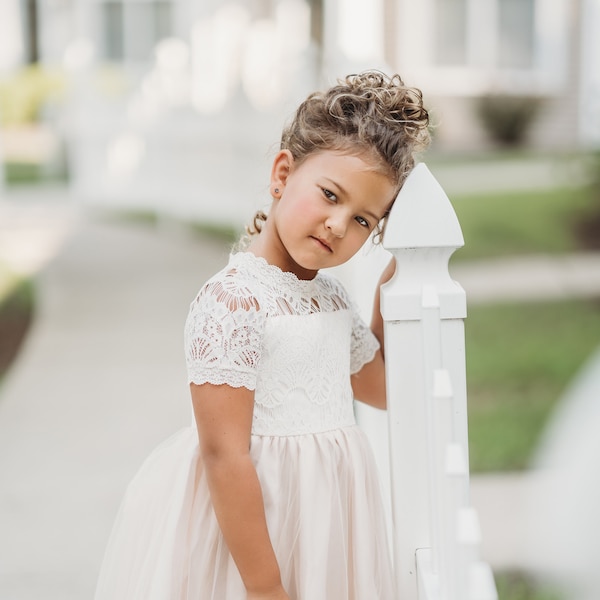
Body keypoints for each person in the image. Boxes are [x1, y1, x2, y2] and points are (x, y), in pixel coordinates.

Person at [94, 70, 430, 600]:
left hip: (326, 524)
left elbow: (382, 390)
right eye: (329, 194)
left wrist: (394, 291)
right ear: (281, 174)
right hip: (255, 539)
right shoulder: (233, 300)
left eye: (364, 220)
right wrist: (266, 587)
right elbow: (224, 454)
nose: (339, 225)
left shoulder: (331, 300)